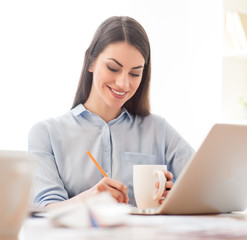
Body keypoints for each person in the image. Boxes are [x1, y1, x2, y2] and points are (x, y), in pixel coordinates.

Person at [28, 16, 194, 208]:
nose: (123, 83)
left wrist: (174, 197)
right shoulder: (46, 134)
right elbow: (45, 211)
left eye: (134, 73)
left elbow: (205, 185)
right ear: (91, 62)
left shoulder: (159, 130)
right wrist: (88, 199)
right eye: (113, 68)